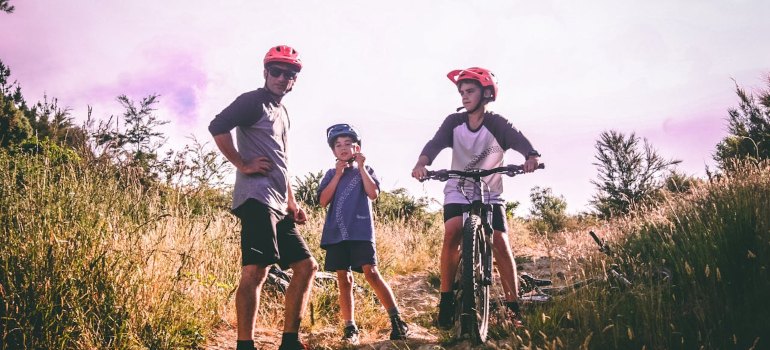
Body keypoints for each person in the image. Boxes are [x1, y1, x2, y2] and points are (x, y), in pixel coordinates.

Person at [410, 67, 541, 329]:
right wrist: (421, 164)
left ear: (486, 93)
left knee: (500, 242)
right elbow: (433, 145)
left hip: (490, 189)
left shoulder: (497, 123)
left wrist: (531, 157)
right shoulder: (453, 123)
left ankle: (513, 307)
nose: (464, 96)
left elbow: (520, 141)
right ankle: (446, 300)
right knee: (452, 230)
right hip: (458, 186)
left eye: (470, 91)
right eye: (461, 92)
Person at [208, 45, 318, 350]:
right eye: (277, 72)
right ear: (266, 73)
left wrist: (292, 201)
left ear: (295, 79)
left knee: (307, 266)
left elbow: (281, 159)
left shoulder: (282, 111)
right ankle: (245, 345)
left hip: (278, 202)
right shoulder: (252, 101)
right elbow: (217, 127)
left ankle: (289, 342)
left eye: (290, 74)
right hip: (256, 198)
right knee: (256, 270)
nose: (283, 78)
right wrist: (242, 164)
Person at [317, 123, 409, 344]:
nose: (343, 148)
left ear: (356, 147)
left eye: (348, 143)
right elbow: (322, 201)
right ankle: (350, 328)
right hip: (336, 233)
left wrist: (361, 168)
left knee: (372, 273)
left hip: (360, 231)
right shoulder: (330, 173)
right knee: (344, 279)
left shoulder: (366, 170)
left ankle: (397, 320)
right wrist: (338, 175)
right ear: (333, 150)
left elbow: (373, 193)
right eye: (338, 145)